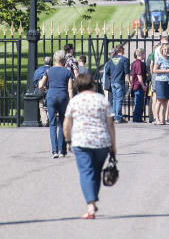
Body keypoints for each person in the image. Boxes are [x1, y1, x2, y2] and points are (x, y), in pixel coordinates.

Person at [63, 72, 117, 220]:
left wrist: (68, 140)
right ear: (92, 85)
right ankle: (93, 200)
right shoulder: (102, 100)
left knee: (86, 172)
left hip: (81, 141)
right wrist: (113, 146)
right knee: (97, 171)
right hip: (101, 141)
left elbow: (67, 124)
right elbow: (110, 125)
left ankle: (90, 205)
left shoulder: (74, 101)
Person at [38, 50, 75, 158]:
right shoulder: (68, 72)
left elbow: (41, 85)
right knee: (63, 123)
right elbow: (70, 88)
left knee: (53, 124)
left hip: (51, 96)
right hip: (63, 96)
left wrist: (45, 89)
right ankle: (62, 150)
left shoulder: (49, 71)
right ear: (64, 60)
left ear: (55, 59)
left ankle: (54, 150)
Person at [102, 45, 130, 123]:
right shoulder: (124, 60)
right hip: (120, 82)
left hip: (113, 82)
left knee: (114, 99)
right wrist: (129, 81)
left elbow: (107, 71)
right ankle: (118, 117)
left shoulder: (111, 60)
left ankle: (114, 116)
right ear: (121, 50)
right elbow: (127, 72)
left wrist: (112, 75)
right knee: (119, 100)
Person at [151, 42, 169, 125]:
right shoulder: (160, 58)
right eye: (165, 49)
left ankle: (164, 119)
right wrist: (166, 71)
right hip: (160, 81)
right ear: (161, 50)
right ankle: (157, 118)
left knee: (165, 101)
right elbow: (154, 70)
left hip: (167, 81)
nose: (166, 50)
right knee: (160, 100)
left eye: (167, 49)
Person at [130, 48, 148, 123]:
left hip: (137, 85)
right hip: (138, 85)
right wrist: (143, 85)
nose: (145, 55)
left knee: (139, 102)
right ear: (141, 54)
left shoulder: (135, 63)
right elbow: (139, 75)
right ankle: (136, 118)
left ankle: (138, 118)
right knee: (138, 103)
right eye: (144, 53)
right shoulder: (139, 64)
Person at [33, 56, 51, 127]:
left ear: (44, 62)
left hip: (41, 89)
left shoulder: (38, 70)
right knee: (49, 106)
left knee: (41, 106)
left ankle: (44, 121)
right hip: (49, 89)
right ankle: (50, 120)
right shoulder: (51, 69)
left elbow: (34, 81)